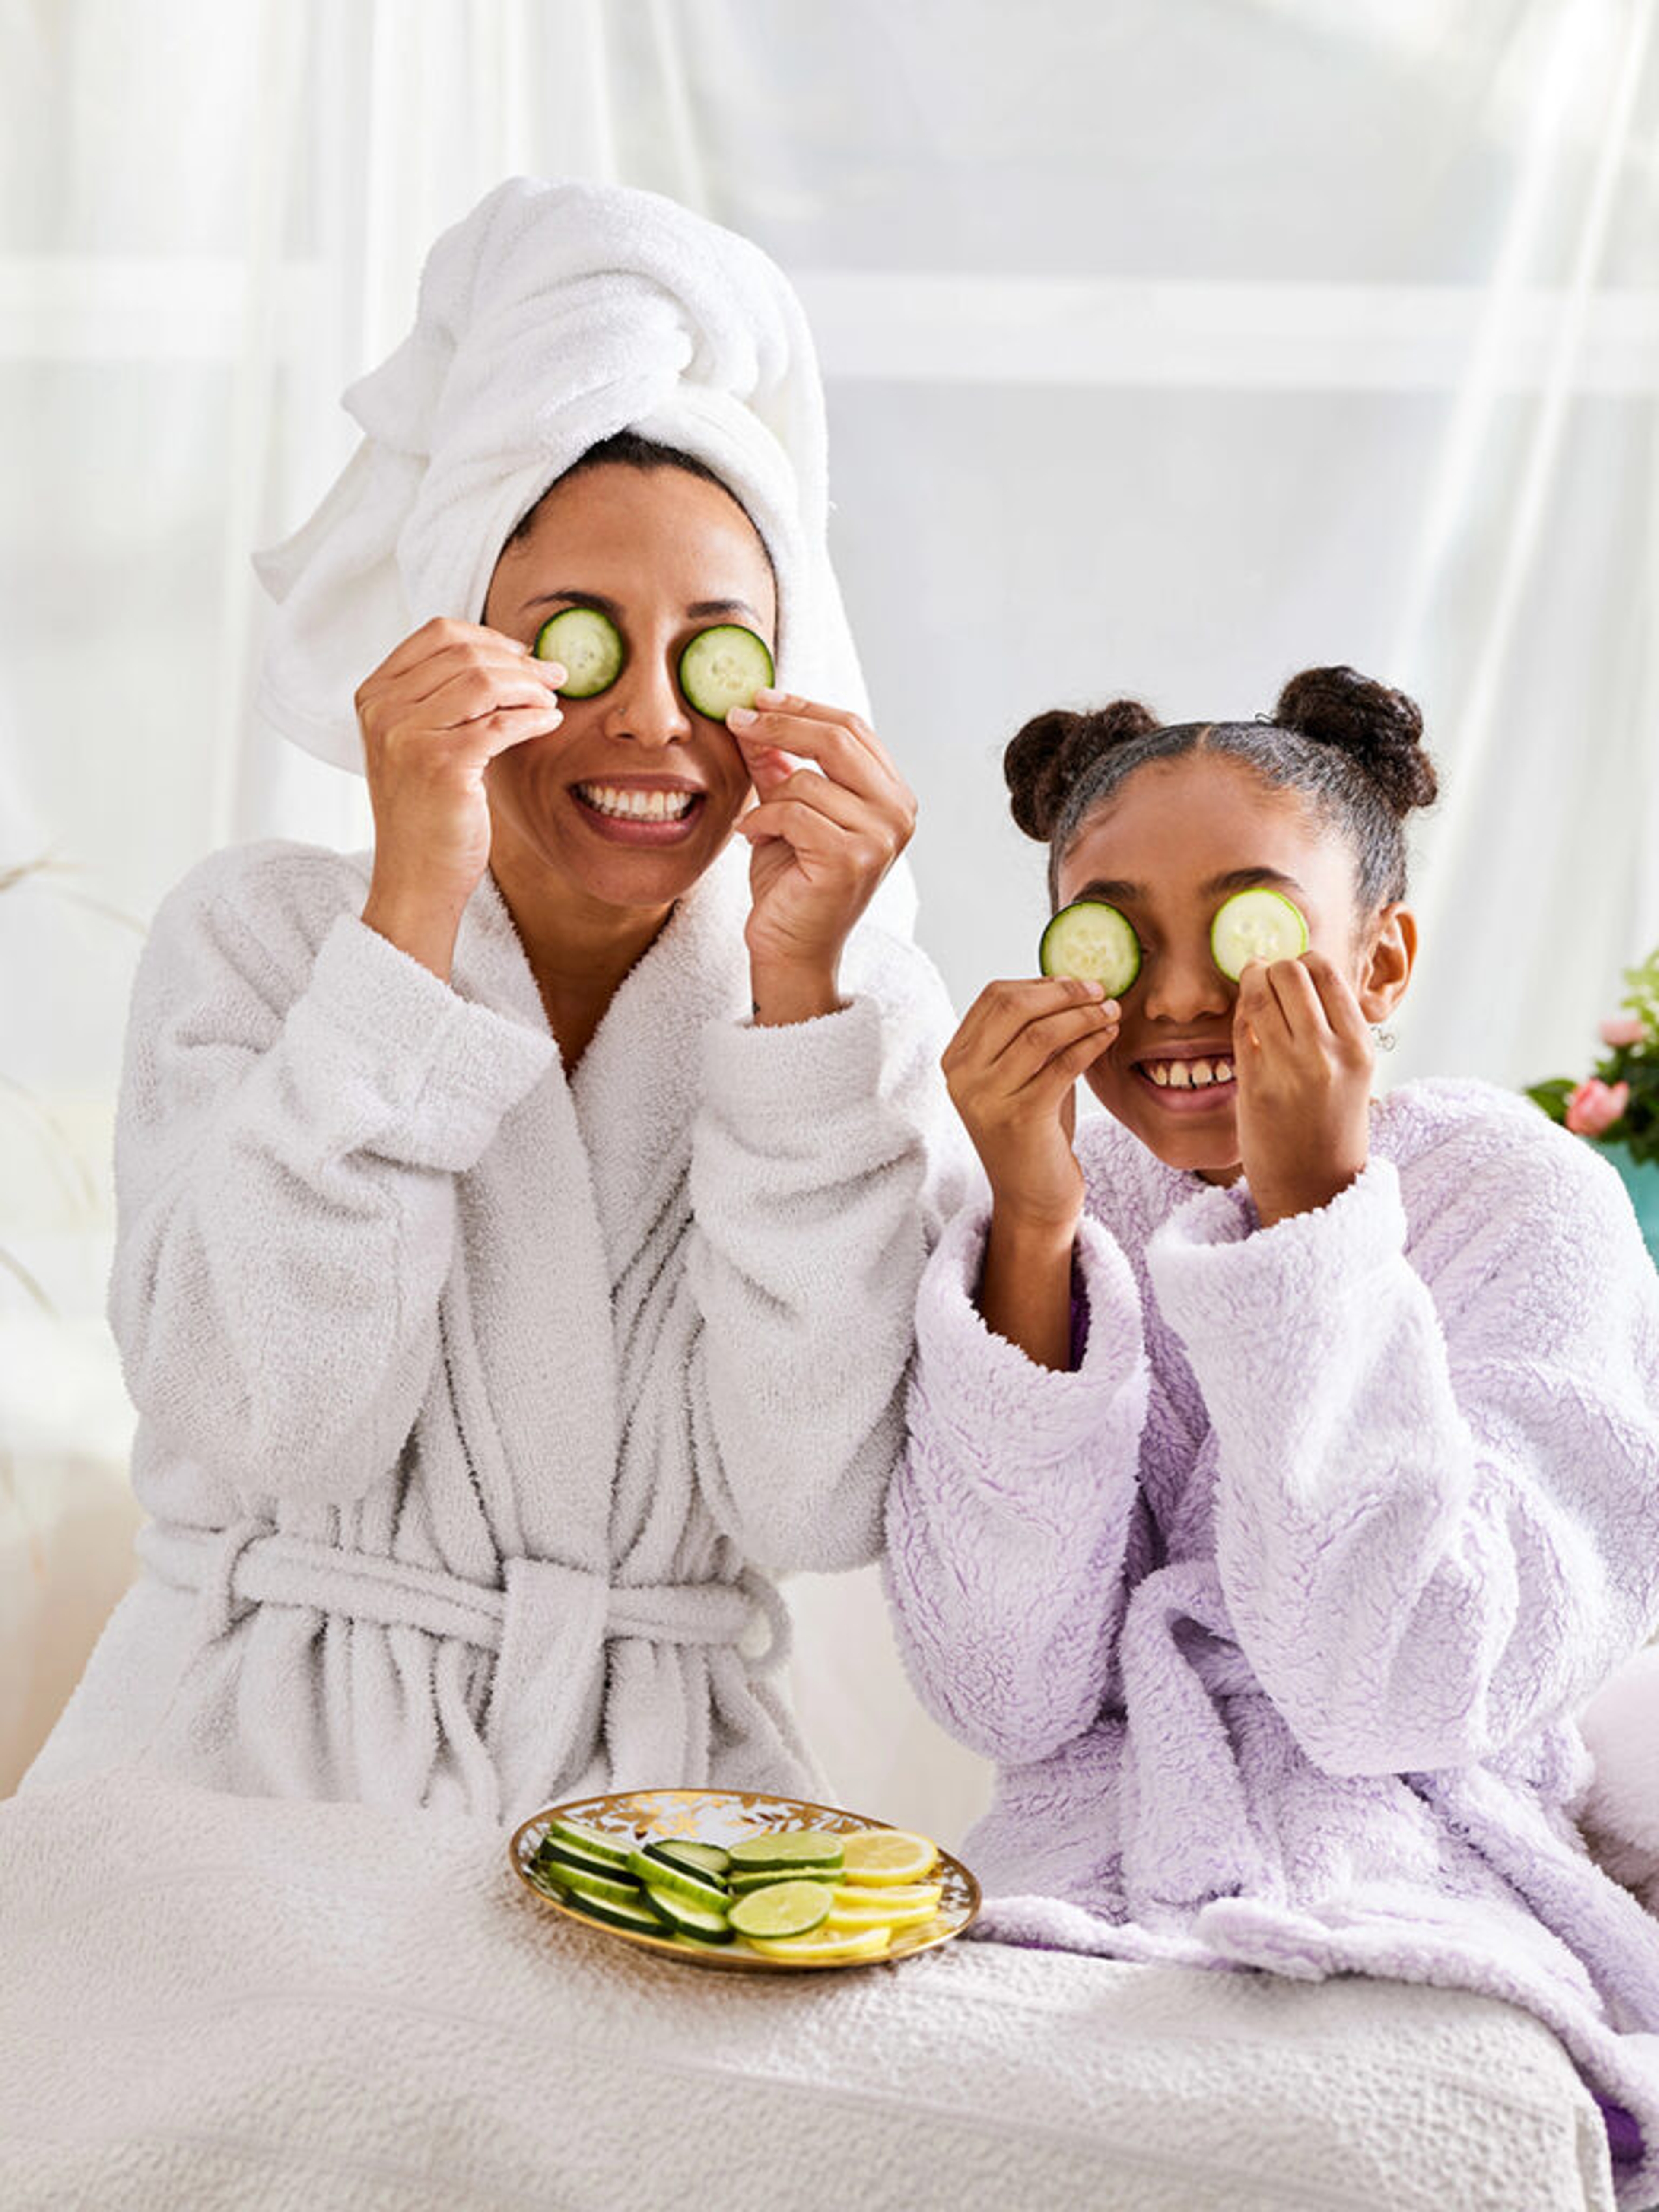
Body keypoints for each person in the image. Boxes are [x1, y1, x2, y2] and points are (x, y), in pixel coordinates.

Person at [25, 177, 967, 1822]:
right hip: (241, 1778)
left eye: (722, 651)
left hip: (668, 1819)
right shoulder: (259, 941)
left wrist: (806, 1006)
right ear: (454, 655)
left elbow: (816, 1503)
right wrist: (406, 923)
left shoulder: (840, 1010)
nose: (658, 720)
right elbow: (264, 1423)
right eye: (579, 644)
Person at [883, 666, 1659, 2199]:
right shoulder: (1050, 1203)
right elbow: (1004, 1693)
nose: (1174, 996)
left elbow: (1401, 1692)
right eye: (1120, 935)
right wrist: (1032, 1231)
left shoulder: (1520, 1197)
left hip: (1429, 1861)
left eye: (1242, 929)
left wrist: (1314, 1228)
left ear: (1381, 965)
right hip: (1084, 1869)